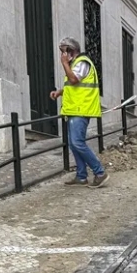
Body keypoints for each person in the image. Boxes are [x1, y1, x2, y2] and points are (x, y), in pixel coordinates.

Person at [50, 37, 109, 187]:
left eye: (64, 51)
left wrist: (64, 64)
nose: (62, 55)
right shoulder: (76, 64)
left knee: (77, 142)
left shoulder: (82, 62)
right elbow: (73, 84)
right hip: (75, 109)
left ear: (71, 51)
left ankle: (100, 172)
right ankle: (81, 176)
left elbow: (74, 79)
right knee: (73, 143)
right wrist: (60, 92)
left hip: (81, 109)